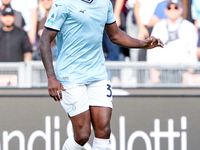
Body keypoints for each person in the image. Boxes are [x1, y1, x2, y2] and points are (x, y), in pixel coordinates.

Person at [39, 0, 163, 149]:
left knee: (104, 131)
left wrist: (142, 43)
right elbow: (45, 38)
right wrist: (51, 77)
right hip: (70, 76)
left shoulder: (105, 3)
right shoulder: (63, 3)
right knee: (83, 134)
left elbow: (115, 35)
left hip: (98, 74)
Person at [147, 0, 198, 84]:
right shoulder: (159, 26)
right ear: (165, 10)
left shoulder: (189, 27)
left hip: (182, 72)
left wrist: (189, 72)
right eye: (169, 8)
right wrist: (153, 70)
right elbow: (152, 50)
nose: (172, 10)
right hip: (162, 71)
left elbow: (193, 52)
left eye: (176, 8)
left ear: (181, 10)